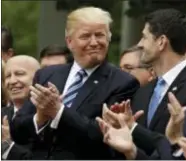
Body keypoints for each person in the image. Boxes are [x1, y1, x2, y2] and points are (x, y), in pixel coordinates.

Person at [11, 7, 139, 160]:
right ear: (69, 42)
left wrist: (59, 111)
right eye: (85, 36)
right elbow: (17, 130)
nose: (94, 42)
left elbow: (106, 135)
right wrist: (40, 117)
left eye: (99, 35)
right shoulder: (47, 74)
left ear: (109, 38)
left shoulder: (123, 82)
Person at [130, 8, 186, 138]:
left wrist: (132, 128)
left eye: (144, 37)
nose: (139, 44)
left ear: (161, 42)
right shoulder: (143, 92)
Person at [1, 55, 40, 160]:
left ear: (38, 78)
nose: (12, 81)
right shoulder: (1, 114)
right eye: (8, 76)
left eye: (20, 74)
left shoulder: (46, 117)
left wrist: (7, 146)